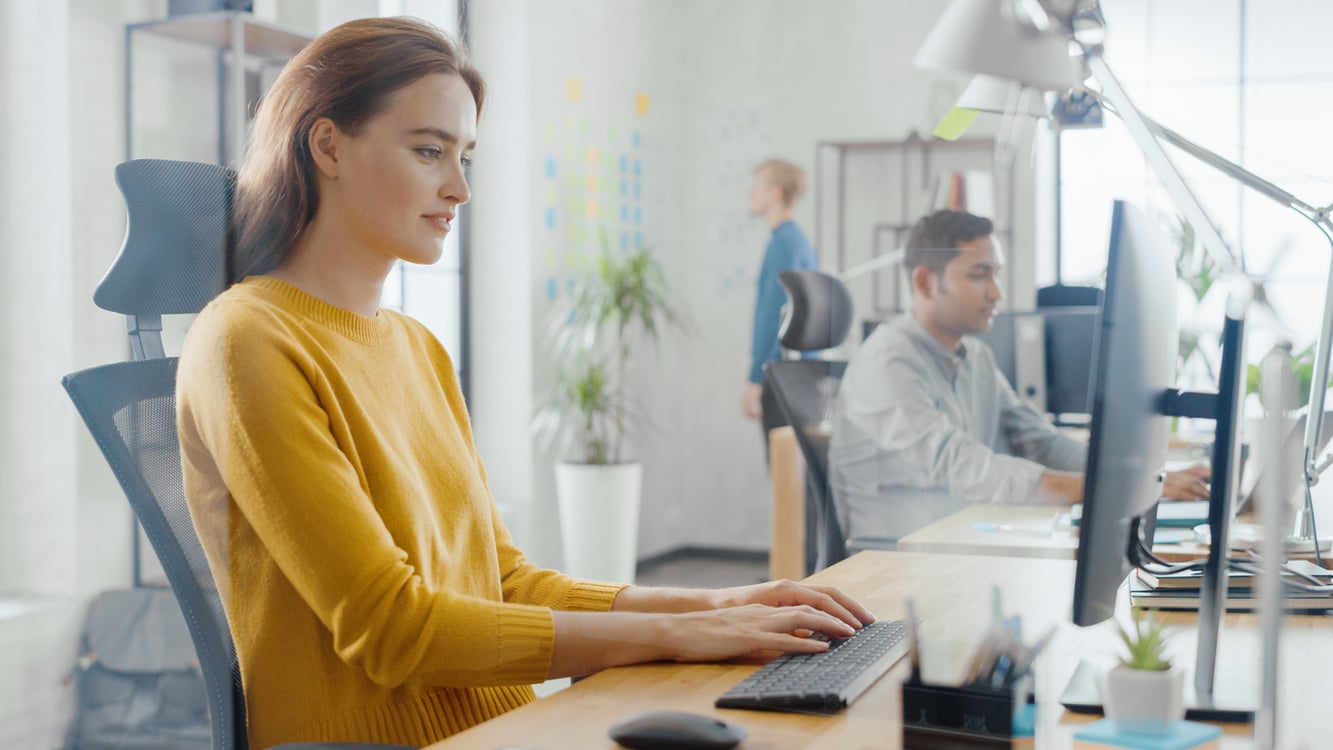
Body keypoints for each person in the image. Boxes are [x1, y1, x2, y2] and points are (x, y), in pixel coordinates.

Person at [176, 18, 874, 749]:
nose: (458, 188)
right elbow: (393, 630)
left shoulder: (417, 348)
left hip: (506, 720)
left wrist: (715, 604)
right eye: (427, 151)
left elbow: (502, 581)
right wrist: (678, 632)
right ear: (327, 146)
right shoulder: (245, 340)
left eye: (465, 157)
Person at [828, 209, 1210, 544]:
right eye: (980, 275)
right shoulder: (886, 364)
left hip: (961, 539)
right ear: (925, 282)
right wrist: (1115, 488)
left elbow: (1039, 441)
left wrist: (1139, 473)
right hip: (894, 559)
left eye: (997, 275)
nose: (997, 292)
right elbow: (964, 467)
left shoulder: (974, 356)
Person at [741, 159, 818, 448]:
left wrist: (754, 378)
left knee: (786, 479)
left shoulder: (782, 245)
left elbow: (772, 315)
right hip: (801, 377)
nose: (750, 193)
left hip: (783, 376)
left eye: (757, 186)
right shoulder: (797, 241)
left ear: (775, 192)